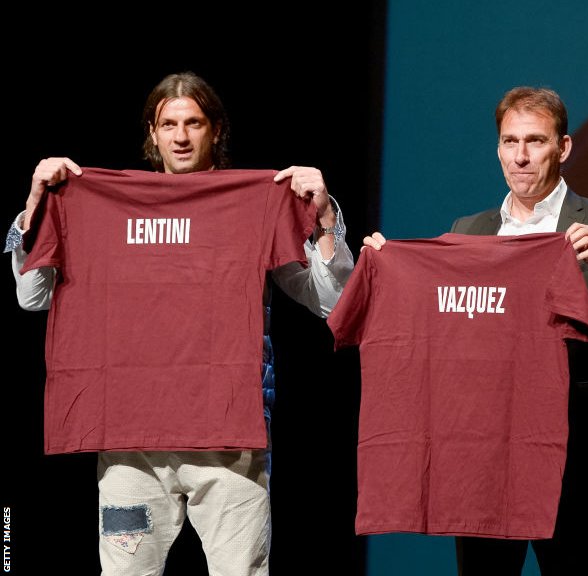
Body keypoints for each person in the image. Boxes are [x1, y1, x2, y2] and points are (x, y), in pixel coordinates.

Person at [6, 71, 354, 576]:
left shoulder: (252, 205)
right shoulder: (99, 204)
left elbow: (330, 300)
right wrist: (37, 204)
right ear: (152, 132)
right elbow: (31, 298)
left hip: (228, 445)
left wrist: (324, 219)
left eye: (194, 123)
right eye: (169, 124)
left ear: (216, 130)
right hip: (131, 450)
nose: (182, 136)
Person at [363, 86, 588, 575]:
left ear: (562, 148)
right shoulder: (468, 231)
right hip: (481, 448)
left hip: (573, 448)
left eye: (535, 141)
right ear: (498, 148)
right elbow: (440, 321)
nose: (520, 157)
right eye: (509, 142)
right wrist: (389, 270)